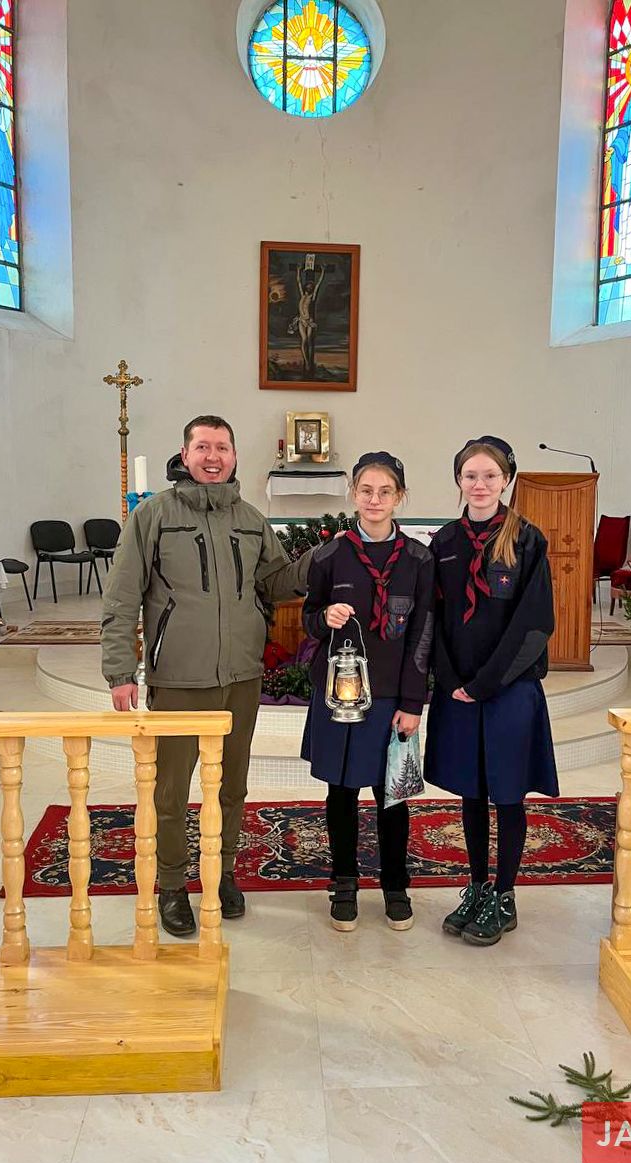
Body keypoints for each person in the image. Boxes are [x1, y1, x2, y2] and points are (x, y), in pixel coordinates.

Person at [101, 415, 312, 937]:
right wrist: (120, 670)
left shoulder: (251, 519)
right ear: (185, 454)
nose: (212, 457)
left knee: (231, 786)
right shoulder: (153, 515)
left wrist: (323, 560)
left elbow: (276, 583)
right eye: (203, 447)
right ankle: (173, 885)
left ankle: (222, 873)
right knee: (171, 790)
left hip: (241, 676)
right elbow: (122, 595)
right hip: (179, 678)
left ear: (234, 456)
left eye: (222, 447)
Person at [424, 435, 558, 946]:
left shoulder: (526, 540)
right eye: (470, 476)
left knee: (507, 793)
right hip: (458, 690)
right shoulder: (444, 543)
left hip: (508, 690)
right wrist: (451, 679)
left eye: (490, 476)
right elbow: (432, 618)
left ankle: (504, 894)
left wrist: (485, 684)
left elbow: (534, 624)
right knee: (472, 791)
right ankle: (477, 886)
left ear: (507, 480)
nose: (479, 485)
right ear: (458, 481)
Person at [301, 452, 434, 932]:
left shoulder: (419, 560)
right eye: (366, 491)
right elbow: (308, 618)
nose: (374, 500)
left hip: (392, 697)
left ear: (400, 497)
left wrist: (413, 704)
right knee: (341, 791)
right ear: (353, 494)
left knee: (391, 794)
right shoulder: (330, 555)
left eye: (385, 491)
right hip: (340, 695)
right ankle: (344, 882)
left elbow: (423, 632)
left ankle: (395, 884)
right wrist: (324, 617)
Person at [295, 262, 325, 377]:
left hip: (309, 321)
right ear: (305, 287)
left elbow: (318, 285)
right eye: (307, 286)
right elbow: (298, 282)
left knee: (309, 340)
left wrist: (323, 272)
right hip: (301, 321)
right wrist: (298, 270)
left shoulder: (313, 297)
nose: (309, 287)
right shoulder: (302, 295)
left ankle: (309, 364)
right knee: (304, 341)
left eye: (310, 287)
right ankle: (307, 362)